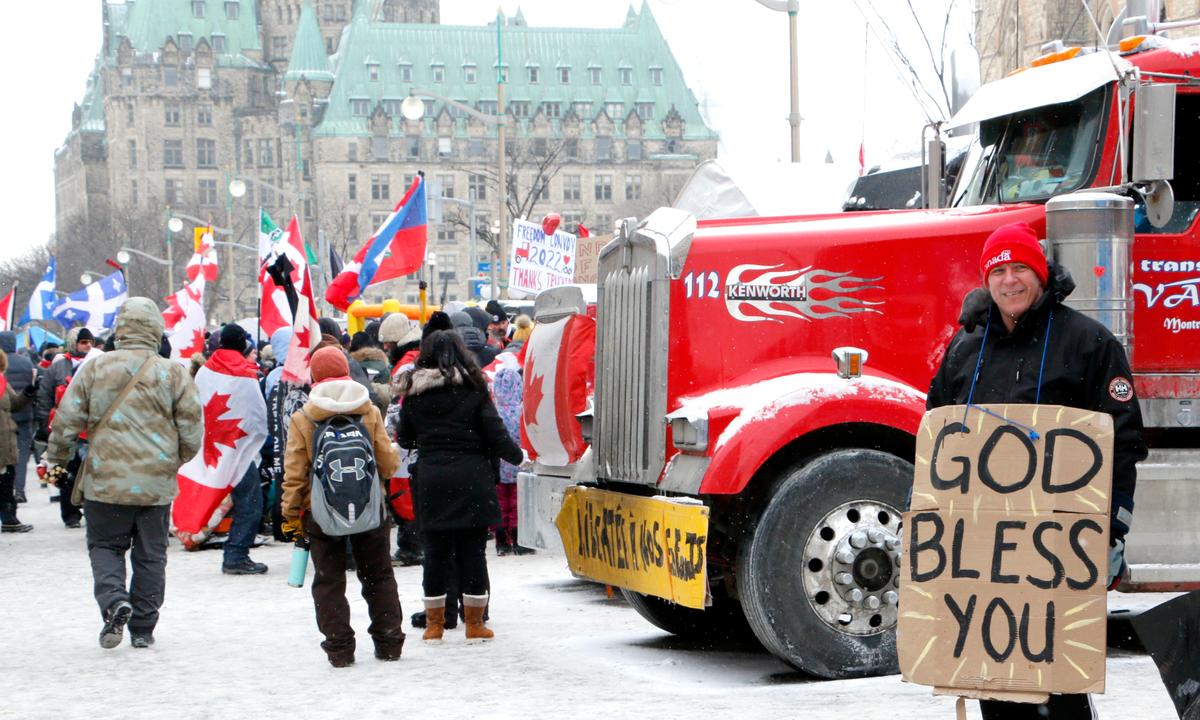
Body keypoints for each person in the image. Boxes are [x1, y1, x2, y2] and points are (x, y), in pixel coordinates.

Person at [927, 222, 1147, 720]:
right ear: (986, 280)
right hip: (984, 551)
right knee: (992, 677)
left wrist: (1113, 529)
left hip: (1058, 543)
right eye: (998, 271)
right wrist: (929, 522)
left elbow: (1123, 441)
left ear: (1041, 273)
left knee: (1058, 679)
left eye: (1020, 268)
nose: (1010, 281)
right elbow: (936, 439)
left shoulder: (1089, 342)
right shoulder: (963, 349)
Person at [46, 297, 203, 649]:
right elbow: (192, 430)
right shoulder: (173, 372)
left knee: (105, 546)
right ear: (156, 330)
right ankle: (143, 627)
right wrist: (172, 460)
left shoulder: (94, 368)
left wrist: (57, 458)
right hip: (155, 483)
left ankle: (115, 601)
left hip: (105, 480)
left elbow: (66, 419)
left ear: (120, 329)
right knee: (151, 555)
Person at [397, 330, 524, 643]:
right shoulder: (474, 389)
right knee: (473, 554)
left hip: (432, 482)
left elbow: (405, 438)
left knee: (434, 554)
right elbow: (496, 433)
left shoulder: (414, 393)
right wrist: (517, 456)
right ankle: (475, 623)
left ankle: (435, 625)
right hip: (472, 480)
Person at [281, 346, 404, 667]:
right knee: (379, 576)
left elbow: (295, 474)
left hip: (320, 513)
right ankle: (389, 642)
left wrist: (291, 513)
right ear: (347, 372)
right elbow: (388, 464)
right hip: (370, 508)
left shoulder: (304, 417)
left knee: (329, 582)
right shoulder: (368, 411)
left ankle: (339, 650)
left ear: (314, 378)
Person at [211, 324, 269, 575]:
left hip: (216, 444)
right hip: (239, 445)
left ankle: (235, 553)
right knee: (250, 502)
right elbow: (256, 413)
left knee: (241, 500)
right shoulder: (244, 372)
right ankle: (236, 555)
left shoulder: (207, 369)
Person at [0, 350, 37, 532]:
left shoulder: (2, 382)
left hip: (6, 440)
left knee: (6, 480)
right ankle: (9, 519)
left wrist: (29, 392)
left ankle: (9, 518)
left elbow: (15, 404)